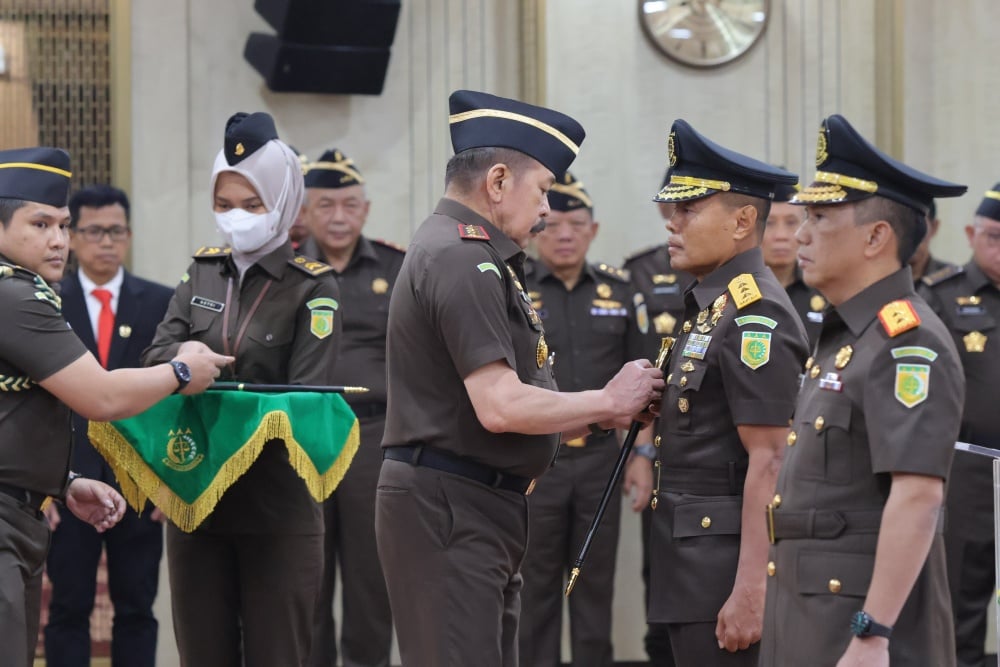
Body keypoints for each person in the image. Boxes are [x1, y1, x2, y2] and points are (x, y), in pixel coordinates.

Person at [375, 89, 664, 667]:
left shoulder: (471, 253)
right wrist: (607, 401)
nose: (546, 210)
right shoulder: (462, 258)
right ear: (499, 182)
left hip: (474, 502)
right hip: (451, 503)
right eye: (543, 190)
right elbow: (499, 406)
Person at [0, 147, 228, 667]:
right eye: (41, 224)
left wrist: (60, 482)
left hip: (28, 504)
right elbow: (99, 396)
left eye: (61, 225)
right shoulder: (13, 296)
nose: (58, 240)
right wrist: (181, 371)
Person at [759, 114, 967, 667]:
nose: (800, 234)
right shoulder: (846, 336)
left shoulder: (907, 340)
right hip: (808, 610)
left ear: (876, 237)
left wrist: (873, 632)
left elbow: (918, 496)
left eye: (820, 218)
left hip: (857, 624)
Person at [142, 111, 342, 666]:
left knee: (279, 653)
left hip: (275, 507)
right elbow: (156, 357)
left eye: (252, 205)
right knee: (201, 653)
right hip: (195, 500)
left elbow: (305, 395)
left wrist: (201, 377)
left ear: (283, 201)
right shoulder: (201, 273)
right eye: (224, 203)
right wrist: (181, 360)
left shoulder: (313, 288)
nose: (236, 218)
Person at [645, 119, 808, 666]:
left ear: (742, 222)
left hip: (723, 574)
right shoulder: (713, 305)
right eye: (672, 207)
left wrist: (753, 590)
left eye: (689, 209)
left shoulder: (753, 312)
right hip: (691, 566)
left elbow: (772, 457)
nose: (672, 221)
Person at [518, 171, 646, 667]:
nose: (565, 234)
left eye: (577, 224)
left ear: (593, 230)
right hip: (535, 465)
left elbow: (645, 385)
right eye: (553, 224)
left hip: (601, 464)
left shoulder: (619, 290)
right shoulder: (515, 289)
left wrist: (640, 453)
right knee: (534, 589)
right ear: (536, 229)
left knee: (594, 585)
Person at [43, 185, 172, 667]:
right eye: (94, 231)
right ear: (73, 238)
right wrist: (46, 482)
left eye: (116, 231)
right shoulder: (45, 300)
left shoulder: (160, 302)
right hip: (67, 482)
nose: (106, 242)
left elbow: (171, 399)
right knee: (68, 608)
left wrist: (168, 479)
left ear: (130, 236)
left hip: (140, 481)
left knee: (137, 608)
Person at [300, 148, 402, 667]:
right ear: (307, 211)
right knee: (306, 576)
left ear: (365, 209)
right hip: (303, 438)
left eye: (349, 205)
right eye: (325, 205)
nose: (338, 217)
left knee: (371, 579)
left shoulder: (398, 267)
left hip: (374, 440)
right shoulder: (288, 269)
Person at [919, 184, 1000, 667]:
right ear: (971, 234)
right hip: (969, 470)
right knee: (959, 606)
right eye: (993, 237)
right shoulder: (941, 296)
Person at [622, 169, 689, 667]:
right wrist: (642, 451)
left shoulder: (753, 286)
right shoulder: (641, 273)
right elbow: (643, 374)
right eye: (675, 204)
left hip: (738, 456)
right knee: (663, 580)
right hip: (667, 451)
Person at [761, 179, 826, 345]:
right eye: (769, 223)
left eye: (791, 223)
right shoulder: (730, 293)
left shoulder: (825, 291)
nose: (781, 235)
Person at [909, 199, 954, 284]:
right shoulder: (878, 279)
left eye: (918, 224)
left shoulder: (954, 282)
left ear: (934, 227)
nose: (909, 234)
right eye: (902, 224)